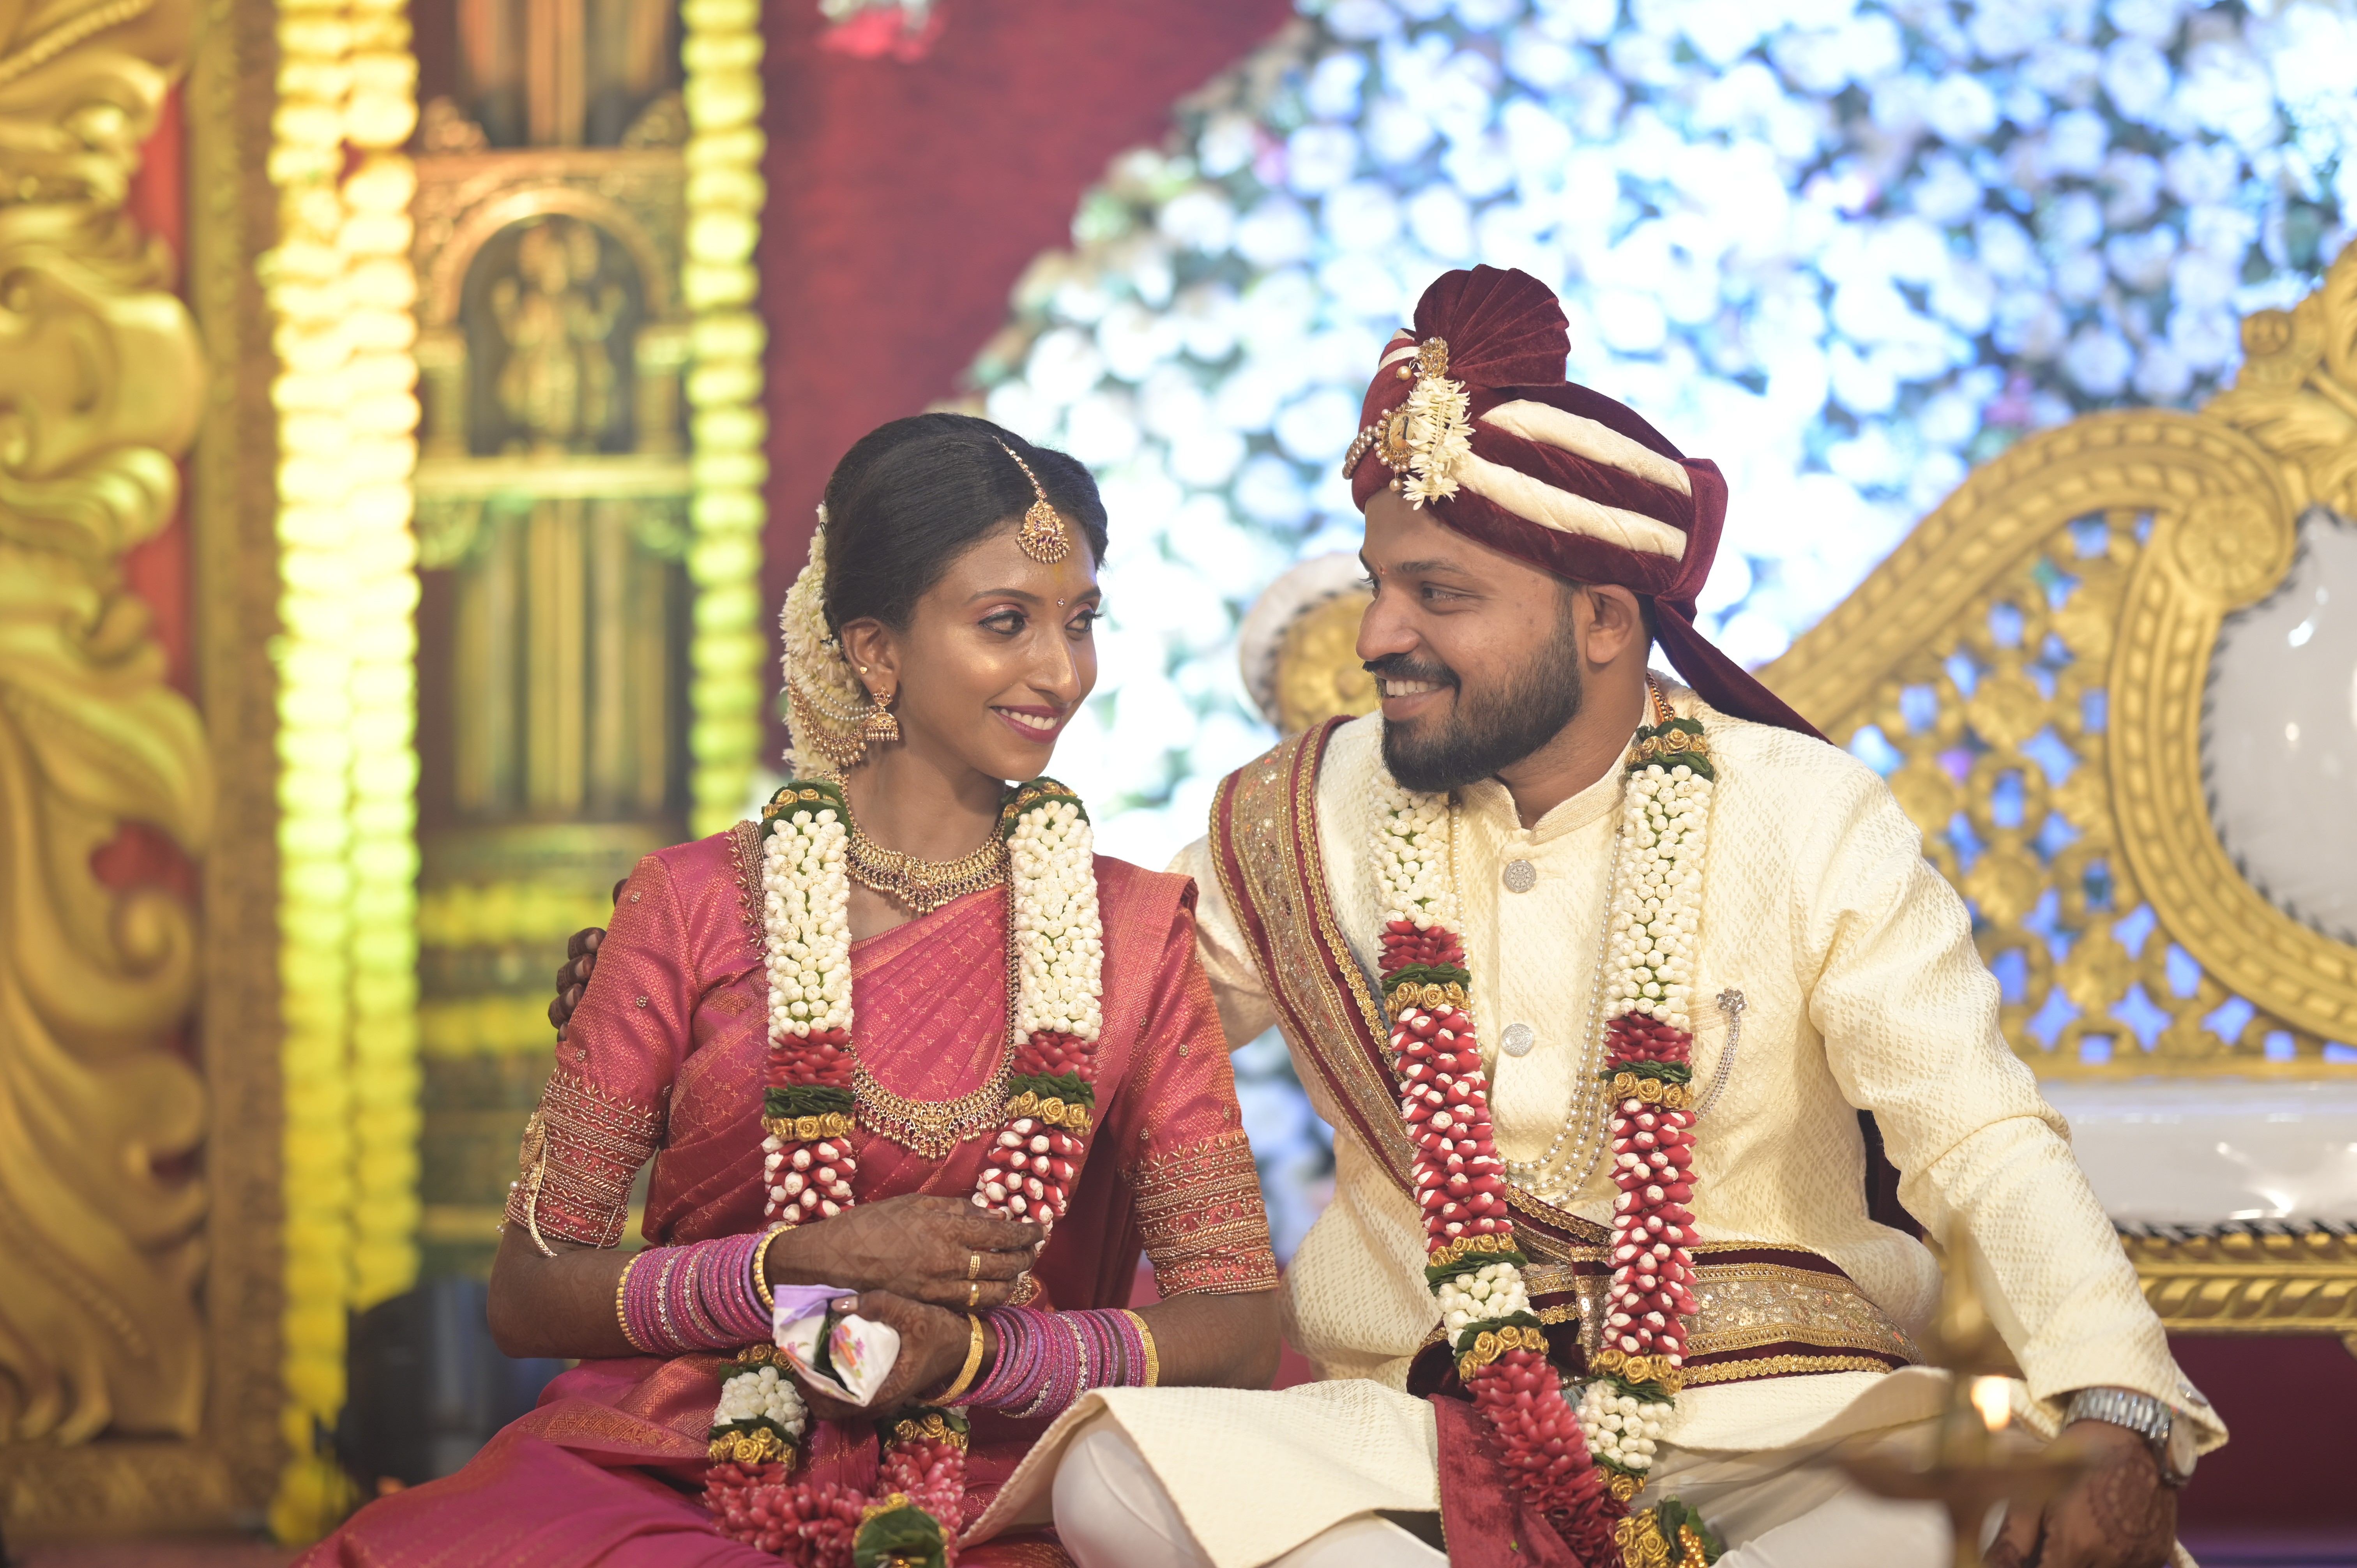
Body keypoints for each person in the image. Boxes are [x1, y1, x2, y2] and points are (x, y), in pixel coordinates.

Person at [970, 267, 2222, 1568]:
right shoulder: (1301, 815)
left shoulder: (1805, 811)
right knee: (1122, 1469)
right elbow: (1094, 1027)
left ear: (1606, 620)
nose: (1380, 637)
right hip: (1421, 1439)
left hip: (1786, 1435)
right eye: (1380, 584)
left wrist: (2119, 1401)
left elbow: (1977, 1137)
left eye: (1440, 596)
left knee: (1959, 1525)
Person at [307, 413, 1280, 1568]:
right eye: (1004, 624)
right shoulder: (690, 907)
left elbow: (1238, 1320)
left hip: (1013, 1477)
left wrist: (978, 1360)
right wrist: (791, 1270)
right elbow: (530, 1291)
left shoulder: (1129, 934)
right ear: (875, 651)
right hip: (689, 1462)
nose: (1060, 672)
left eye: (1080, 624)